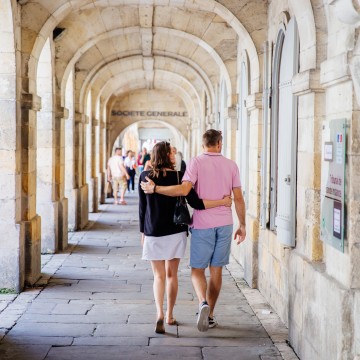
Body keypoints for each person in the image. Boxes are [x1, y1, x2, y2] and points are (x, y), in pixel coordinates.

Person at [141, 129, 246, 332]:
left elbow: (184, 191)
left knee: (197, 270)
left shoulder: (195, 162)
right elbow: (239, 198)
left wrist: (156, 189)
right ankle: (211, 314)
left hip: (202, 225)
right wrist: (242, 224)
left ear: (202, 144)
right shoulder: (231, 165)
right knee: (217, 271)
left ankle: (201, 303)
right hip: (225, 223)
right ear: (219, 143)